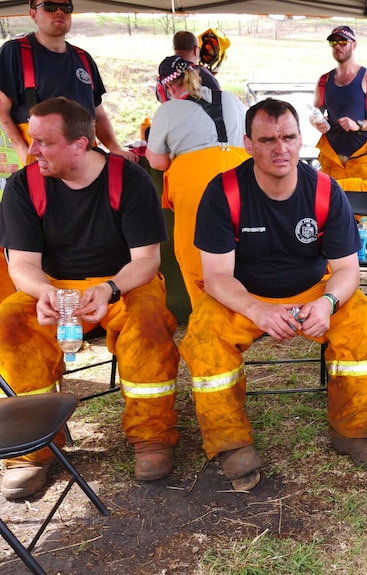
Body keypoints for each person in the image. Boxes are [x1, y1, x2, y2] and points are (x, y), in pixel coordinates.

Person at [179, 98, 367, 492]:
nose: (281, 149)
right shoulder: (224, 192)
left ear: (301, 139)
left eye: (289, 137)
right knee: (205, 331)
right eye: (268, 139)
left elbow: (345, 270)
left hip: (313, 293)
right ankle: (230, 444)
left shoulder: (325, 191)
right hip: (245, 296)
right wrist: (257, 310)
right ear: (248, 144)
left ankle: (356, 430)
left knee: (360, 317)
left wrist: (327, 303)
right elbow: (217, 277)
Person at [0, 97, 180, 500]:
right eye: (32, 140)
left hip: (123, 283)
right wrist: (46, 292)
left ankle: (152, 436)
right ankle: (31, 451)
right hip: (52, 285)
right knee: (10, 322)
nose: (31, 151)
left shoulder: (128, 180)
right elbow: (22, 264)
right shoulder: (23, 186)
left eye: (44, 142)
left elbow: (147, 260)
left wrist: (110, 288)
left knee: (149, 321)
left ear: (80, 144)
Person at [0, 0, 139, 302]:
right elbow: (2, 110)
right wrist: (24, 150)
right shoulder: (15, 53)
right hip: (36, 155)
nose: (59, 11)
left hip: (83, 156)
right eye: (49, 5)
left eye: (66, 5)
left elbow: (98, 113)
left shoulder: (83, 59)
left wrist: (114, 147)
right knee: (23, 234)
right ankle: (40, 300)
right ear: (32, 12)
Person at [146, 55, 248, 305]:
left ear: (168, 86)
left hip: (196, 188)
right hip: (241, 178)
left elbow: (157, 162)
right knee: (244, 244)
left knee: (196, 253)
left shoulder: (168, 110)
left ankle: (206, 312)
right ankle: (247, 310)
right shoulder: (231, 99)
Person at [310, 25, 367, 184]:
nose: (338, 46)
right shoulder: (323, 81)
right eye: (333, 43)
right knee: (330, 207)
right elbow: (314, 113)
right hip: (331, 161)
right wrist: (316, 122)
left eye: (342, 41)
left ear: (354, 45)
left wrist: (358, 125)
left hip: (362, 159)